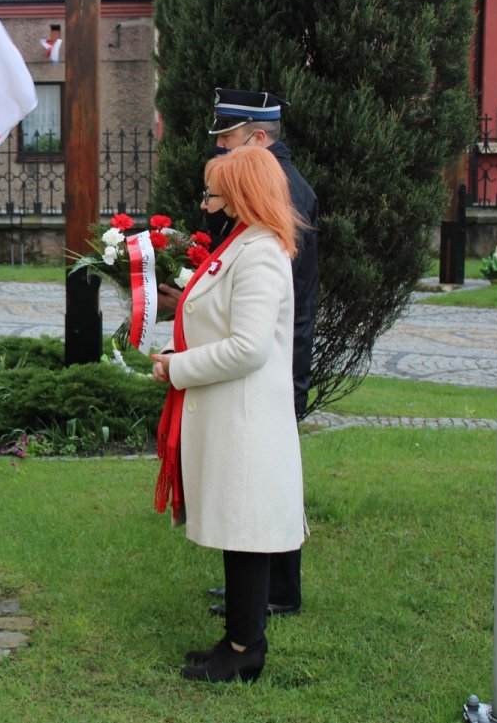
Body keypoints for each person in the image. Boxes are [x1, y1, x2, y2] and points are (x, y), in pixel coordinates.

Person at [150, 145, 306, 682]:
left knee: (247, 536)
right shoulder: (243, 242)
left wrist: (179, 368)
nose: (206, 201)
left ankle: (244, 650)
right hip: (233, 415)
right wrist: (177, 353)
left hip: (246, 420)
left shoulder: (260, 252)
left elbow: (248, 348)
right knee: (239, 535)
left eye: (213, 192)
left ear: (241, 193)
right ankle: (239, 639)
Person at [201, 88, 319, 618]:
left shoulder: (282, 186)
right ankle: (259, 587)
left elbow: (278, 288)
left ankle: (278, 591)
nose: (222, 148)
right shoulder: (271, 177)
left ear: (259, 137)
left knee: (267, 478)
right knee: (257, 477)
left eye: (228, 138)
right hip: (271, 345)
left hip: (277, 351)